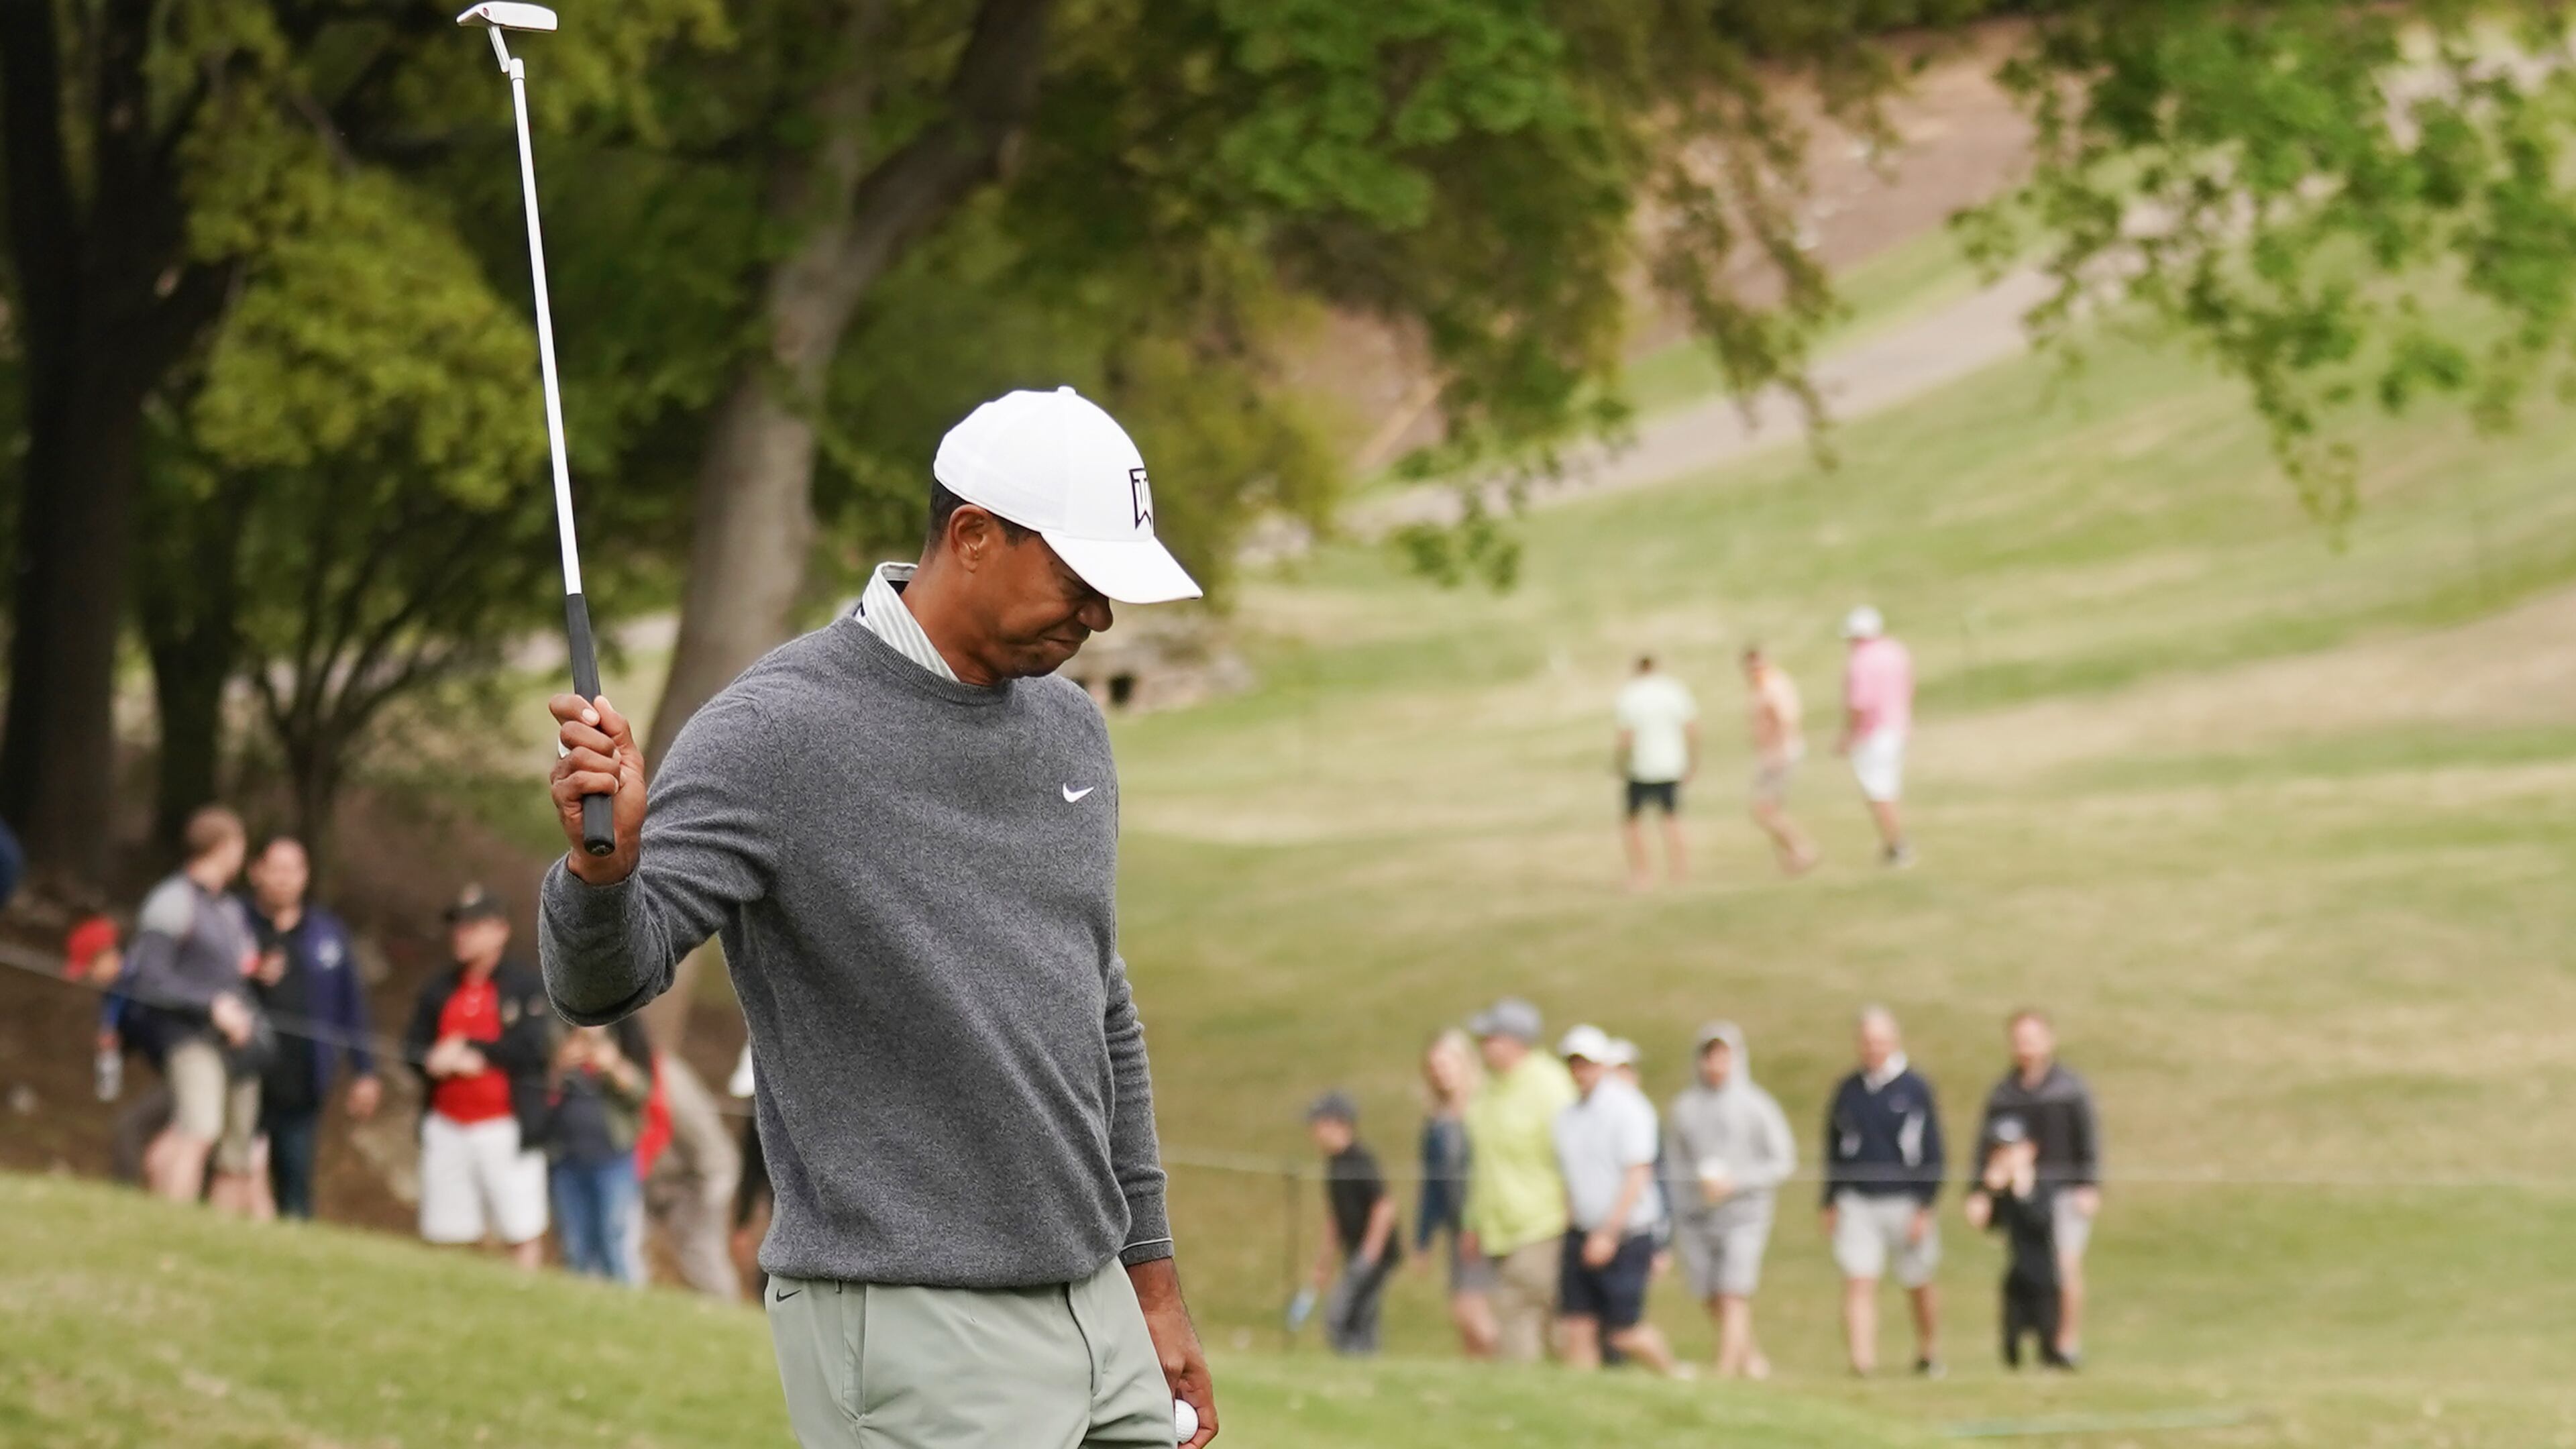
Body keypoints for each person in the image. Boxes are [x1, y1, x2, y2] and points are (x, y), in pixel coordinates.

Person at [539, 386, 1218, 1449]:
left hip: (1097, 1310)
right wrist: (603, 870)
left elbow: (1102, 1012)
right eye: (1081, 580)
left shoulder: (1072, 730)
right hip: (911, 1320)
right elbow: (599, 983)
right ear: (974, 537)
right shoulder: (776, 732)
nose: (1100, 616)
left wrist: (1154, 1282)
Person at [119, 807, 267, 1210]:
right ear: (223, 848)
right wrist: (210, 1006)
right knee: (199, 1129)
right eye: (239, 847)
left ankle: (184, 1226)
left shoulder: (229, 910)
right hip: (183, 1036)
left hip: (226, 1042)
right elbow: (150, 981)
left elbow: (233, 972)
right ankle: (174, 1223)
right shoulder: (171, 901)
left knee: (215, 1141)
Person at [405, 884, 556, 1271]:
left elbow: (535, 1047)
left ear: (499, 931)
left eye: (472, 927)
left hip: (505, 1126)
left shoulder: (524, 985)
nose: (462, 935)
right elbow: (412, 1047)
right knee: (447, 1231)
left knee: (519, 1229)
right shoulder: (439, 987)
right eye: (457, 927)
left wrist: (476, 1052)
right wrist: (432, 1060)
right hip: (448, 1124)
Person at [242, 835, 382, 1221]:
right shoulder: (235, 921)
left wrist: (365, 1072)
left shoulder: (327, 934)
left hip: (302, 1084)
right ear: (258, 872)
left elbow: (350, 1007)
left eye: (294, 870)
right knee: (233, 1171)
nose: (285, 879)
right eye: (277, 869)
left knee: (295, 1184)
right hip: (242, 1075)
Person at [1666, 1021, 1795, 1379]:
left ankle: (1723, 1371)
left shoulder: (1757, 1105)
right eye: (1710, 1056)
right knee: (1710, 1293)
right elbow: (1675, 1164)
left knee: (1733, 1290)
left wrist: (1737, 1182)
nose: (1716, 1064)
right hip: (1698, 1215)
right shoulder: (1685, 1108)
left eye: (1724, 1056)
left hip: (1745, 1213)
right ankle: (1750, 1357)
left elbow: (1782, 1161)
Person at [1823, 1006, 1947, 1377]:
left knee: (1918, 1280)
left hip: (1906, 1199)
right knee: (1859, 1279)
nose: (1873, 1048)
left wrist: (1925, 1204)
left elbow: (1932, 1149)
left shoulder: (1915, 1088)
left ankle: (1928, 1350)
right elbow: (1834, 1146)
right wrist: (1829, 1199)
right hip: (1858, 1200)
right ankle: (1862, 1362)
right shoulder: (1848, 1090)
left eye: (1880, 1041)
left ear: (1894, 1042)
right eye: (1867, 1041)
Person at [1550, 1025, 1679, 1375]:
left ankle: (1674, 1374)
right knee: (1577, 1327)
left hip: (1626, 1233)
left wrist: (1609, 1231)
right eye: (1574, 1064)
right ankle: (1585, 1407)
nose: (1580, 1072)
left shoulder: (1630, 1108)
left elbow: (1637, 1174)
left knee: (1623, 1332)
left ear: (1603, 1066)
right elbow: (1570, 1178)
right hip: (1581, 1231)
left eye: (1587, 1064)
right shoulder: (1566, 1116)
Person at [1459, 997, 1578, 1364]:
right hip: (1500, 1233)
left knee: (1541, 1320)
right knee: (1522, 1323)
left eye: (1489, 1038)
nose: (1482, 1045)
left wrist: (1574, 1217)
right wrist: (1472, 1222)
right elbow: (1480, 1166)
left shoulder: (1551, 1087)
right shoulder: (1487, 1092)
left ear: (1514, 1041)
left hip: (1545, 1227)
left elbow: (1573, 1159)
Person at [1979, 1009, 2101, 1363]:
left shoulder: (2070, 1089)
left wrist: (2088, 1184)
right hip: (2023, 1195)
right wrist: (1981, 1191)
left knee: (2065, 1264)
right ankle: (2032, 1341)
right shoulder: (2004, 1093)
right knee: (2027, 1268)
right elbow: (1984, 1146)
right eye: (2019, 1040)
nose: (2026, 1047)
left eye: (2032, 1039)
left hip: (2063, 1190)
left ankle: (2065, 1342)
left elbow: (2088, 1137)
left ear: (2049, 1040)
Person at [547, 1020, 655, 1283]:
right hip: (567, 1158)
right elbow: (539, 1091)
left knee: (613, 1236)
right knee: (575, 1240)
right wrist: (560, 1066)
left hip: (613, 1159)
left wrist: (612, 1066)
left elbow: (642, 1094)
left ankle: (624, 1302)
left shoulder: (626, 1036)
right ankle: (578, 1303)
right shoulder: (557, 1036)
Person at [1413, 1029, 1497, 1357]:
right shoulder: (1436, 1124)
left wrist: (1476, 1220)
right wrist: (1423, 1239)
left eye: (1447, 1063)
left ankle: (1509, 1368)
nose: (1441, 1072)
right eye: (1434, 1067)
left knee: (1471, 1310)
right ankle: (1478, 1383)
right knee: (1463, 1315)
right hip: (1456, 1229)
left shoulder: (1484, 1111)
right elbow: (1431, 1185)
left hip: (1486, 1226)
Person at [1964, 1118, 2072, 1370]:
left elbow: (2039, 1221)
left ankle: (2054, 1361)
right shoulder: (2006, 1191)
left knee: (2047, 1339)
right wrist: (1990, 1193)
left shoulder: (2041, 1185)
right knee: (2011, 1340)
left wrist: (2022, 1190)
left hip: (2044, 1275)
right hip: (2017, 1273)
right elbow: (1992, 1225)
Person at [1300, 1092, 1401, 1356]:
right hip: (1357, 1253)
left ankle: (1356, 1361)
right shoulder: (1334, 1164)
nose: (1314, 1132)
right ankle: (1362, 1364)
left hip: (1374, 1255)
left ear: (1338, 1124)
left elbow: (1384, 1206)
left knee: (1340, 1314)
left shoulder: (1359, 1159)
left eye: (1319, 1124)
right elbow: (1336, 1219)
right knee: (1361, 1315)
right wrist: (1324, 1264)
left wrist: (1370, 1253)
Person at [1835, 606, 1916, 867]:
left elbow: (1860, 704)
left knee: (1878, 791)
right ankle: (1894, 842)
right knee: (1888, 788)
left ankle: (1897, 846)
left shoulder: (1862, 661)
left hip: (1873, 733)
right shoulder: (1896, 651)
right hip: (1897, 727)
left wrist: (1848, 735)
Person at [1613, 655, 1699, 889]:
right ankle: (1680, 871)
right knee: (1672, 819)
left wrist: (1620, 764)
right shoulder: (1673, 690)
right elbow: (1691, 728)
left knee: (1633, 822)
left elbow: (1626, 736)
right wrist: (1692, 762)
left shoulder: (1631, 694)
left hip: (1641, 767)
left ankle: (1643, 874)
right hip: (1671, 765)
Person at [1742, 646, 1817, 875]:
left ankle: (1803, 849)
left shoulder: (1771, 687)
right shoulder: (1770, 684)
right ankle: (1791, 859)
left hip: (1779, 754)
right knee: (1774, 808)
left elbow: (1785, 719)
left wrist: (1779, 751)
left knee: (1763, 809)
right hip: (1776, 752)